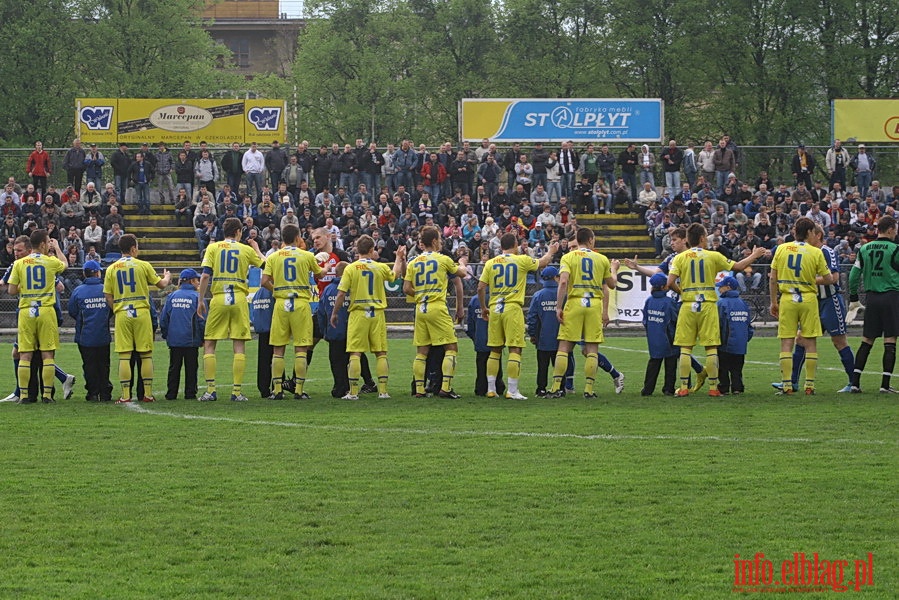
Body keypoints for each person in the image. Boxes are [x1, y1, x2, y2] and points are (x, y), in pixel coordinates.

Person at [668, 223, 767, 396]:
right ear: (701, 238)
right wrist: (754, 255)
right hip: (707, 305)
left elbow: (669, 283)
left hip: (688, 305)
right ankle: (713, 389)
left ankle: (683, 388)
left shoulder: (680, 258)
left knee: (685, 348)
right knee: (711, 347)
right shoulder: (713, 256)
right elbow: (738, 267)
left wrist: (683, 292)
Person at [774, 224, 856, 393]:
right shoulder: (804, 252)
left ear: (817, 235)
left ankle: (854, 382)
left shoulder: (826, 251)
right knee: (801, 340)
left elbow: (833, 278)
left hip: (829, 301)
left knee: (839, 341)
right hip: (811, 301)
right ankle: (792, 381)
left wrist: (806, 281)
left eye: (811, 234)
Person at [478, 233, 558, 399]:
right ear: (515, 245)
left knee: (495, 350)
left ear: (501, 246)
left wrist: (484, 307)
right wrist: (550, 252)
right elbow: (542, 263)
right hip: (512, 307)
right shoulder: (521, 259)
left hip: (495, 308)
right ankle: (512, 391)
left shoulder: (491, 263)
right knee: (515, 348)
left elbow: (480, 287)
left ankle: (491, 389)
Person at [197, 217, 265, 402]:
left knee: (210, 343)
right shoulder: (246, 249)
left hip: (219, 298)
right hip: (239, 299)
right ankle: (236, 392)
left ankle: (211, 390)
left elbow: (204, 276)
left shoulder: (213, 248)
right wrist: (257, 249)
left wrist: (201, 300)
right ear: (238, 232)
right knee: (239, 344)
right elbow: (267, 266)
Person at [330, 235, 407, 400]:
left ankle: (353, 392)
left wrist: (335, 313)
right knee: (381, 353)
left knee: (355, 353)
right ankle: (383, 391)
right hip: (377, 313)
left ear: (357, 250)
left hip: (358, 313)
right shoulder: (379, 267)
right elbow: (395, 276)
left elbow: (341, 294)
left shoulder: (351, 268)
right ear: (372, 250)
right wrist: (399, 258)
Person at [546, 228, 618, 398]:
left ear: (577, 240)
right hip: (594, 304)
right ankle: (589, 390)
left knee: (564, 346)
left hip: (575, 302)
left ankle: (556, 388)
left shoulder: (568, 257)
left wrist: (558, 307)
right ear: (591, 240)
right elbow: (611, 284)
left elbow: (563, 282)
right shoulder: (602, 259)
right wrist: (614, 268)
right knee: (592, 347)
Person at [103, 234, 171, 403]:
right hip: (141, 312)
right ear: (133, 248)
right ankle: (147, 394)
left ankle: (125, 395)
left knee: (125, 356)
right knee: (145, 354)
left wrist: (117, 309)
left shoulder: (112, 268)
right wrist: (167, 277)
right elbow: (161, 285)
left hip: (123, 313)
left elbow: (108, 295)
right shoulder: (143, 265)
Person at [769, 217, 833, 395]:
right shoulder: (815, 252)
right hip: (808, 298)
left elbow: (773, 278)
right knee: (810, 341)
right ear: (810, 233)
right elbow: (828, 279)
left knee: (787, 342)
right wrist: (811, 279)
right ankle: (809, 385)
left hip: (788, 298)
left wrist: (774, 302)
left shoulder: (781, 249)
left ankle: (787, 384)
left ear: (794, 231)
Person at [403, 225, 467, 398]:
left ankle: (419, 390)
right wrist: (462, 262)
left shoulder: (413, 262)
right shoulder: (443, 259)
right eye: (439, 239)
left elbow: (406, 288)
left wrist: (421, 294)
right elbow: (461, 274)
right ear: (434, 241)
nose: (440, 242)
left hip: (420, 308)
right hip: (437, 306)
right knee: (451, 347)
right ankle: (445, 388)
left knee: (422, 350)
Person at [261, 224, 323, 399]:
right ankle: (298, 390)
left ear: (282, 238)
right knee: (301, 348)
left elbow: (264, 281)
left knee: (278, 349)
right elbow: (319, 275)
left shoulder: (274, 257)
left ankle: (278, 390)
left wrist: (276, 291)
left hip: (281, 303)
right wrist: (324, 267)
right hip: (301, 304)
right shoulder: (307, 256)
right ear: (298, 238)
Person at [7, 230, 68, 403]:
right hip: (46, 310)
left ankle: (25, 395)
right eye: (48, 242)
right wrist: (56, 248)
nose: (49, 244)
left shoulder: (19, 264)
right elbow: (65, 264)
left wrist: (25, 288)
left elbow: (11, 290)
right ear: (42, 244)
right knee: (47, 354)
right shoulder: (50, 262)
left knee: (25, 355)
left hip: (26, 311)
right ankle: (47, 395)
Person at [847, 215, 899, 393]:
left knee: (867, 339)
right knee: (890, 339)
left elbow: (854, 276)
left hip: (872, 298)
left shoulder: (864, 248)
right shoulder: (896, 249)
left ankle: (855, 383)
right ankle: (885, 385)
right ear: (891, 229)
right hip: (891, 297)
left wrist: (854, 297)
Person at [67, 260, 113, 402]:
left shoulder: (78, 291)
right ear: (98, 272)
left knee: (89, 365)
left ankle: (92, 392)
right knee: (104, 364)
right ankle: (105, 392)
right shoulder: (106, 289)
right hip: (103, 335)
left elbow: (72, 311)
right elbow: (112, 309)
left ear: (84, 273)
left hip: (85, 336)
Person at [527, 266, 575, 397]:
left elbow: (532, 317)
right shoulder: (565, 295)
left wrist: (532, 334)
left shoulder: (538, 295)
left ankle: (541, 389)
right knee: (560, 364)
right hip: (561, 338)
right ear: (556, 278)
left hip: (543, 338)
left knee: (542, 367)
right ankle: (560, 388)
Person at [160, 269, 206, 400]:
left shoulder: (172, 296)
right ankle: (190, 393)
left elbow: (164, 319)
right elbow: (201, 320)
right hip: (191, 339)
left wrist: (166, 335)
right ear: (191, 281)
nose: (198, 283)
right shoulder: (198, 297)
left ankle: (171, 393)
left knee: (174, 367)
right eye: (197, 280)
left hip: (174, 339)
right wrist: (202, 338)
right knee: (191, 368)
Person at [316, 261, 353, 398]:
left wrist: (324, 331)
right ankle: (353, 386)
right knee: (352, 358)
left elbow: (321, 312)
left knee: (336, 361)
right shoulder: (352, 288)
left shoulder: (328, 290)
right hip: (351, 330)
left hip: (334, 331)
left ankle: (339, 386)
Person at [641, 273, 678, 396]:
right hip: (668, 337)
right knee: (671, 364)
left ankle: (647, 389)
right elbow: (674, 319)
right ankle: (668, 388)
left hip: (653, 337)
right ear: (664, 287)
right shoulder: (669, 302)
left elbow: (645, 320)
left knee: (653, 363)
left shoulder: (649, 301)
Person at [716, 275, 753, 395]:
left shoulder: (721, 303)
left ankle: (724, 387)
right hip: (741, 343)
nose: (719, 289)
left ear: (727, 287)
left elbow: (719, 323)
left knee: (723, 367)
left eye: (721, 287)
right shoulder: (743, 303)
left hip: (726, 342)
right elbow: (748, 324)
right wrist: (745, 338)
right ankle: (737, 387)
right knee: (737, 368)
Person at [466, 292, 506, 397]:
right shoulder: (499, 299)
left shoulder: (474, 300)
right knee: (496, 363)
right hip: (496, 339)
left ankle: (481, 388)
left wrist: (474, 337)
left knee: (481, 365)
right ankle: (497, 386)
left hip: (480, 338)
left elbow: (470, 323)